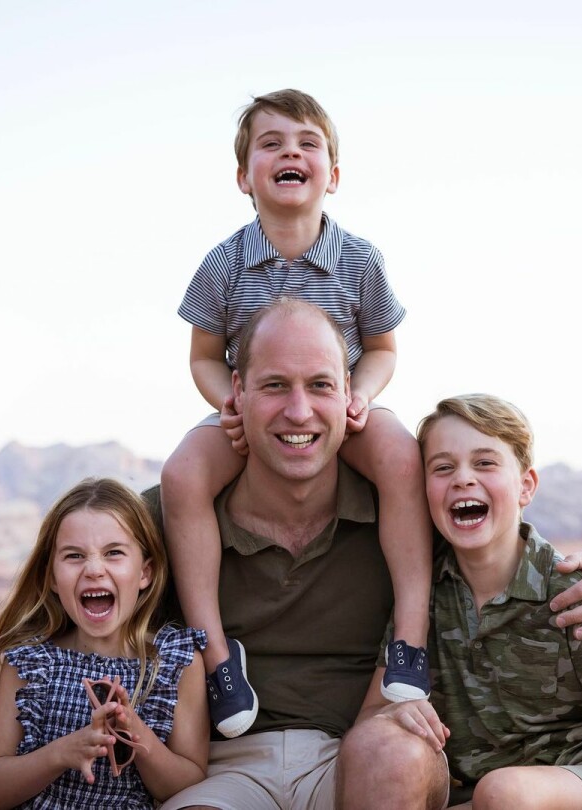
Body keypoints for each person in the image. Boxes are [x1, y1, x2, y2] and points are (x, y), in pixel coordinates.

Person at [0, 301, 582, 810]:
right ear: (235, 395)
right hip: (223, 770)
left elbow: (499, 542)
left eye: (320, 386)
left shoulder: (403, 515)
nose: (298, 411)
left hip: (362, 759)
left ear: (352, 400)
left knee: (393, 751)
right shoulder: (171, 524)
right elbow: (51, 646)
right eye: (274, 386)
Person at [160, 88, 434, 737]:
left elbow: (383, 347)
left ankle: (411, 639)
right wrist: (224, 401)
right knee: (181, 475)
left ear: (332, 176)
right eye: (272, 143)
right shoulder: (224, 263)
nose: (291, 152)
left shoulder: (359, 259)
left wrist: (361, 394)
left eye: (308, 143)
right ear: (243, 175)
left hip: (339, 408)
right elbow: (202, 356)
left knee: (401, 454)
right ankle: (217, 658)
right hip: (254, 412)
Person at [355, 394, 582, 809]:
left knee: (505, 791)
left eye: (485, 463)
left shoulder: (573, 592)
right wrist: (392, 716)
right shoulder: (424, 593)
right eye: (442, 467)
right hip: (484, 796)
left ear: (525, 486)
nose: (463, 479)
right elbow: (370, 718)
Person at [0, 478, 210, 809]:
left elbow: (186, 783)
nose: (94, 569)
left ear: (145, 572)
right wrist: (62, 753)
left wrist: (134, 732)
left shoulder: (175, 662)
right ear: (51, 578)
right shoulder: (31, 663)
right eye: (74, 555)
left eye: (114, 553)